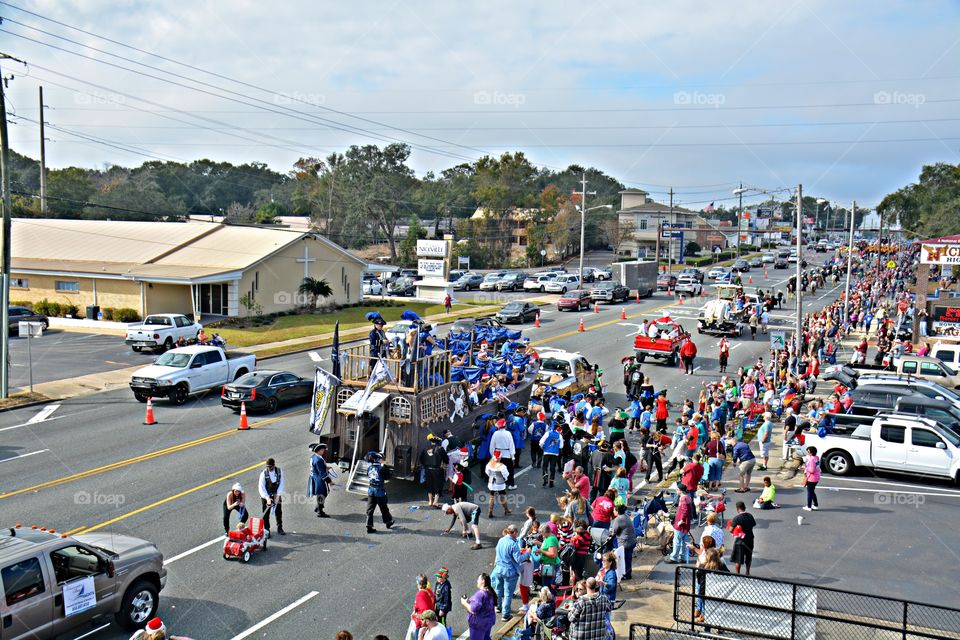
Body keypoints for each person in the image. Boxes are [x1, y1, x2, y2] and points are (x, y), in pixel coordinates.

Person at [490, 525, 530, 621]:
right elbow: (518, 559)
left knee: (498, 589)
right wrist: (528, 552)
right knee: (508, 593)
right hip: (510, 572)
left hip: (499, 569)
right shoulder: (513, 544)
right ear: (514, 533)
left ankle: (498, 607)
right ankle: (506, 614)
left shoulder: (501, 540)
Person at [366, 451, 395, 533]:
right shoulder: (382, 468)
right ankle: (388, 522)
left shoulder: (370, 467)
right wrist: (385, 467)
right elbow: (388, 477)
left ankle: (369, 525)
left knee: (370, 509)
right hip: (379, 491)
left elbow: (367, 475)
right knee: (384, 508)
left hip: (371, 490)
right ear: (379, 459)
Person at [462, 574, 498, 640]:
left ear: (483, 581)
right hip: (488, 622)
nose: (477, 581)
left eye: (478, 579)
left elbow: (473, 610)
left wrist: (464, 603)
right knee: (486, 638)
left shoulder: (480, 594)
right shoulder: (490, 591)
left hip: (479, 624)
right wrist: (469, 602)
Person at [420, 434, 449, 509]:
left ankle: (430, 501)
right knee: (438, 485)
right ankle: (435, 502)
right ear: (437, 442)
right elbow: (446, 459)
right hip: (437, 470)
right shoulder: (440, 449)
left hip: (427, 469)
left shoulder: (425, 448)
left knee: (429, 484)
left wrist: (426, 465)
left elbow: (421, 459)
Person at [258, 458, 285, 536]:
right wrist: (267, 498)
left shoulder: (279, 472)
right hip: (266, 495)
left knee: (278, 511)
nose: (269, 468)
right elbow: (261, 488)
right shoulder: (263, 474)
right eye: (268, 467)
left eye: (270, 467)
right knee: (266, 513)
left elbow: (282, 484)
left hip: (276, 494)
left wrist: (278, 495)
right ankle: (267, 529)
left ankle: (280, 527)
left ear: (274, 465)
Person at [610, 503, 637, 580]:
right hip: (632, 541)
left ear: (617, 511)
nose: (613, 511)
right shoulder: (625, 516)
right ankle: (628, 573)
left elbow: (614, 531)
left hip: (625, 542)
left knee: (624, 559)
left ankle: (627, 575)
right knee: (628, 558)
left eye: (614, 510)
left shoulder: (618, 519)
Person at [728, 501, 757, 575]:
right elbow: (753, 525)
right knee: (748, 557)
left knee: (738, 559)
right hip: (750, 539)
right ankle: (747, 572)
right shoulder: (750, 516)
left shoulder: (736, 518)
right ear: (744, 508)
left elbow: (731, 530)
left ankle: (738, 574)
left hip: (740, 541)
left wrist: (734, 531)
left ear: (737, 509)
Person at [489, 419, 517, 490]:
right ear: (505, 426)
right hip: (507, 454)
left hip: (497, 455)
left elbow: (492, 446)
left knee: (498, 471)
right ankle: (511, 485)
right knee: (510, 470)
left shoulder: (495, 434)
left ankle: (499, 485)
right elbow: (511, 445)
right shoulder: (508, 433)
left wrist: (493, 455)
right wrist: (513, 456)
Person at [667, 491, 694, 564]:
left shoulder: (683, 499)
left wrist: (681, 520)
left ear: (680, 490)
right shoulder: (688, 497)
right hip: (686, 523)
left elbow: (684, 511)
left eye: (677, 489)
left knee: (677, 541)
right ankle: (683, 557)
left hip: (681, 524)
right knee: (684, 541)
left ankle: (673, 557)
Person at [306, 443, 332, 518]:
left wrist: (326, 468)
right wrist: (330, 481)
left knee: (321, 494)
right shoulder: (318, 460)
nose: (323, 451)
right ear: (319, 450)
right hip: (319, 479)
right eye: (322, 450)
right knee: (323, 494)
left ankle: (318, 507)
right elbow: (322, 473)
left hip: (314, 477)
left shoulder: (313, 457)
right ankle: (320, 511)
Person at [408, 574, 436, 640]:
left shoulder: (420, 595)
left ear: (420, 585)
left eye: (417, 583)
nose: (417, 584)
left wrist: (415, 616)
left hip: (421, 625)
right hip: (431, 621)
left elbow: (424, 610)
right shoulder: (430, 591)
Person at [485, 452, 512, 517]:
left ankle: (490, 512)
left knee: (492, 497)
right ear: (499, 458)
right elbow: (506, 474)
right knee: (502, 496)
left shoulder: (489, 464)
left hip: (492, 483)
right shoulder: (502, 466)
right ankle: (506, 510)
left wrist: (491, 477)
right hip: (500, 483)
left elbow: (487, 472)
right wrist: (505, 479)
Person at [536, 523, 561, 593]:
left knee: (547, 586)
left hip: (549, 565)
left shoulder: (551, 540)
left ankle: (550, 600)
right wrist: (539, 544)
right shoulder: (551, 537)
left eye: (541, 533)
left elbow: (553, 554)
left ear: (544, 532)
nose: (541, 535)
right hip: (549, 564)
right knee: (549, 585)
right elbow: (548, 547)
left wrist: (541, 551)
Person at [540, 422, 563, 487]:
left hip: (547, 452)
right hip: (555, 453)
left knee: (545, 466)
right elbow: (561, 446)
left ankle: (545, 477)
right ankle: (551, 482)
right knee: (552, 468)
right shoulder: (559, 435)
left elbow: (541, 442)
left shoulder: (547, 433)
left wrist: (542, 447)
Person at [802, 446, 821, 511]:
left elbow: (812, 470)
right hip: (817, 477)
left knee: (809, 492)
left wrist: (805, 467)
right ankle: (815, 505)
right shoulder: (816, 457)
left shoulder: (811, 459)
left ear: (810, 452)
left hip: (811, 478)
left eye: (808, 451)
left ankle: (809, 506)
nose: (807, 453)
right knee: (812, 491)